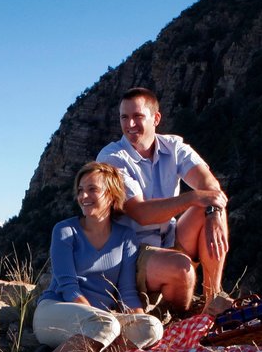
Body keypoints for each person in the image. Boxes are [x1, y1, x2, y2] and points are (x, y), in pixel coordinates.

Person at [7, 162, 163, 352]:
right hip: (56, 311)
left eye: (92, 189)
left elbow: (126, 291)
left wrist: (136, 315)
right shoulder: (65, 230)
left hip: (99, 323)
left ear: (111, 194)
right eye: (80, 190)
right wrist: (101, 319)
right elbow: (68, 287)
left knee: (152, 327)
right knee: (106, 325)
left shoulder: (126, 237)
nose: (83, 196)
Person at [97, 87, 229, 317]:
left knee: (210, 208)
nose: (130, 125)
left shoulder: (174, 147)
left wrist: (214, 212)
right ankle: (177, 318)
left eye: (137, 116)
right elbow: (140, 213)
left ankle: (213, 299)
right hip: (131, 252)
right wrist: (193, 197)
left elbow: (210, 186)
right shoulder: (113, 158)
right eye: (124, 117)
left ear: (156, 118)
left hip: (168, 238)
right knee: (181, 267)